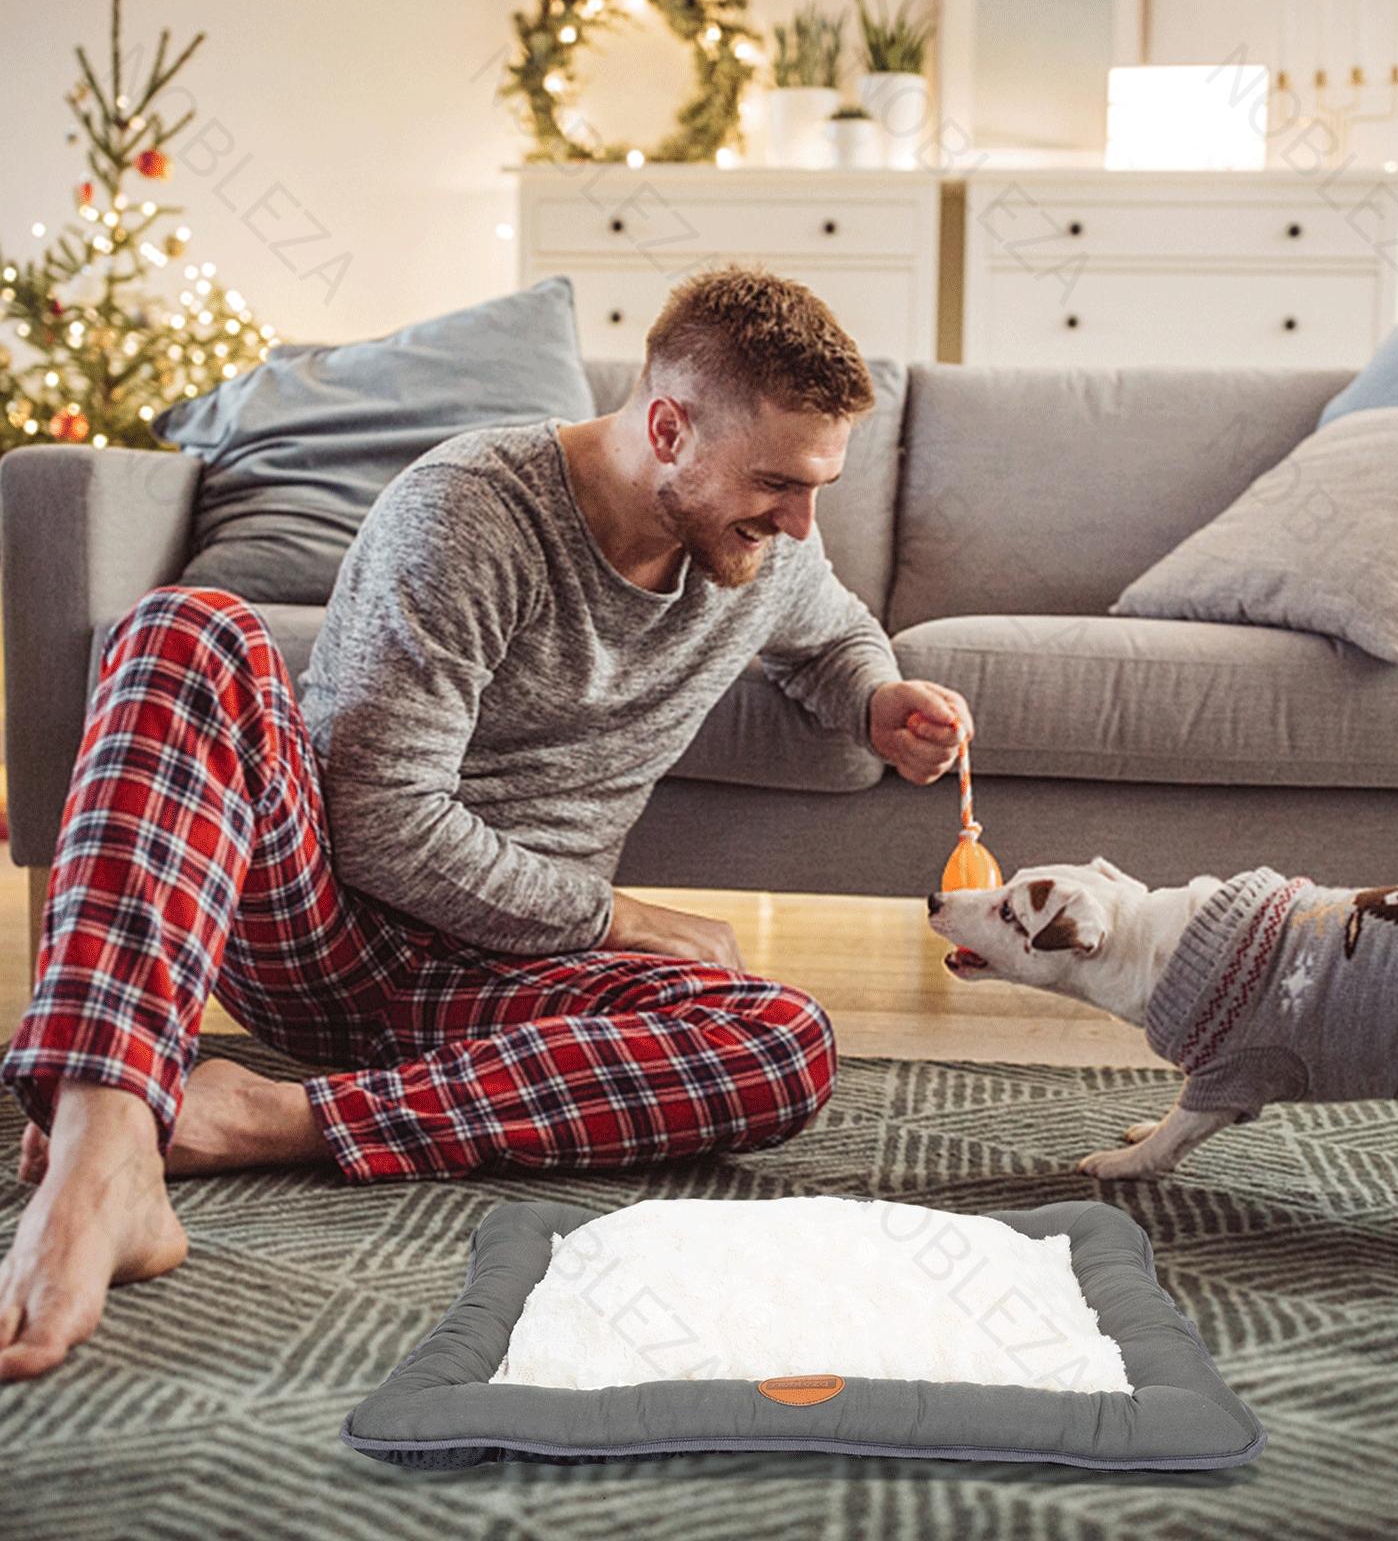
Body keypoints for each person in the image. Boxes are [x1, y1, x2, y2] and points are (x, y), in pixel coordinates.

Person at [0, 264, 974, 1380]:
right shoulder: (470, 508)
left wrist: (873, 693)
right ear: (666, 427)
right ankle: (104, 1136)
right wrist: (615, 914)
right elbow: (376, 819)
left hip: (507, 990)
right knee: (187, 630)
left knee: (782, 1041)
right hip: (332, 928)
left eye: (818, 487)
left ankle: (272, 1114)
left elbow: (832, 625)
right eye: (777, 485)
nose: (802, 523)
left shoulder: (763, 549)